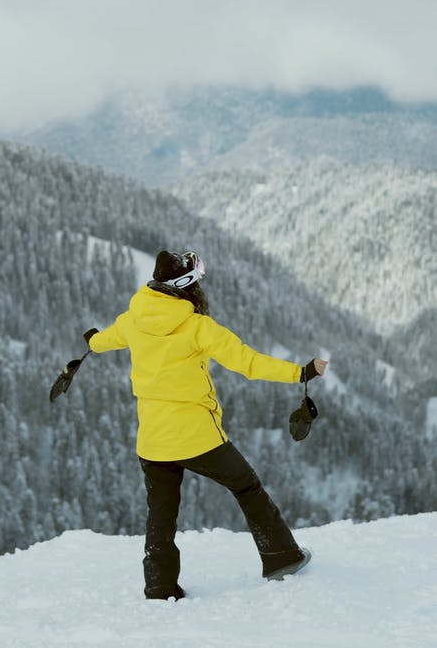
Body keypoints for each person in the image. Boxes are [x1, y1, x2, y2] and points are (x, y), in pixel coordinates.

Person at [88, 250, 327, 600]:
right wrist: (299, 373)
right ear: (186, 286)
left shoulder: (132, 320)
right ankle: (281, 557)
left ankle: (159, 586)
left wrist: (90, 341)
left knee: (161, 516)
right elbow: (247, 361)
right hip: (197, 437)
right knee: (246, 486)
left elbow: (104, 339)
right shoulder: (198, 327)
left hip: (152, 440)